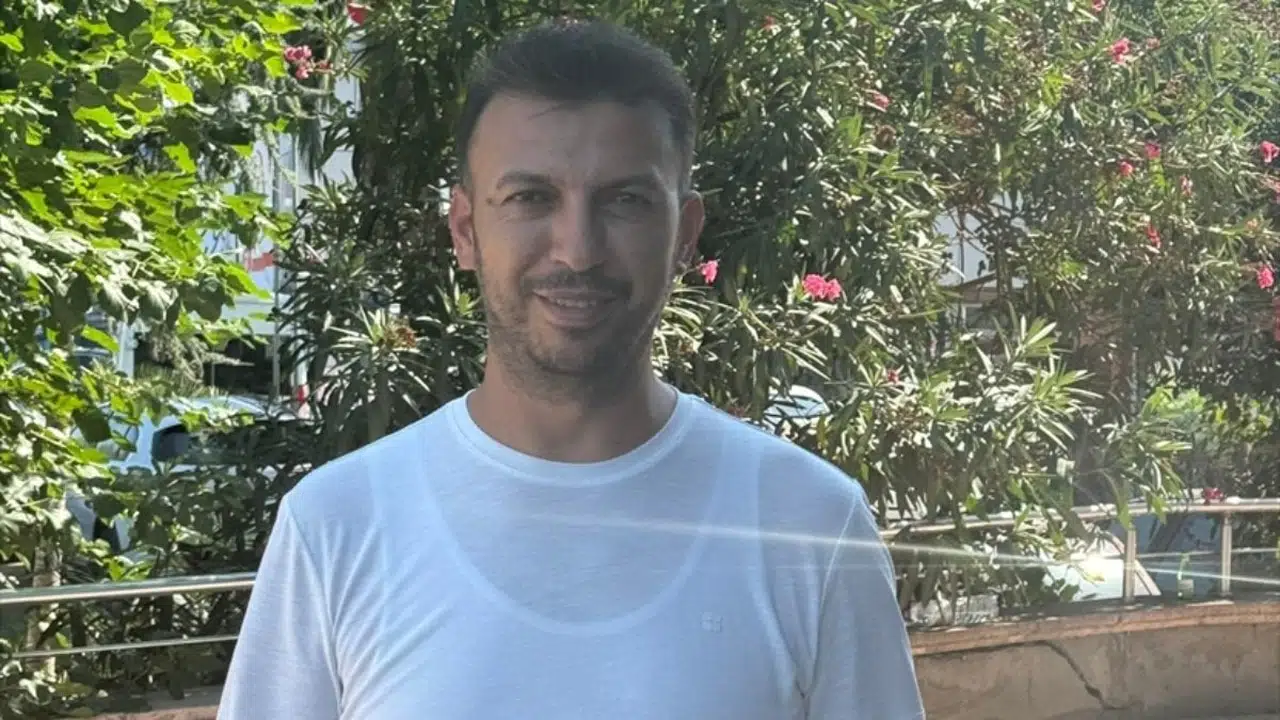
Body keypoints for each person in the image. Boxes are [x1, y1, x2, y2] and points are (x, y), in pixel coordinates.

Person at [218, 18, 925, 720]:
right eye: (530, 197)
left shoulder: (810, 528)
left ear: (685, 234)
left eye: (626, 200)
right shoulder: (338, 525)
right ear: (465, 230)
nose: (577, 249)